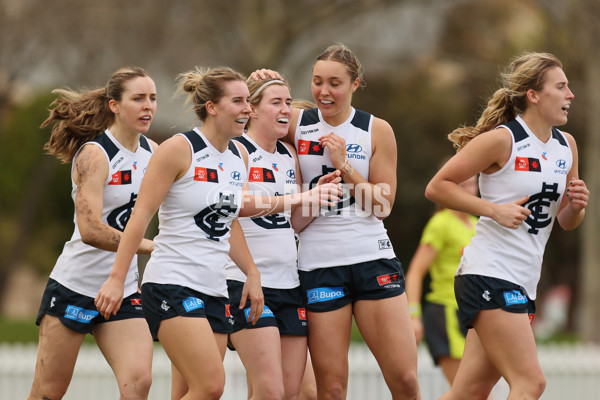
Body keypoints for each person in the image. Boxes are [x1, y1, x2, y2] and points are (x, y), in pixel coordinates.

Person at [94, 66, 341, 400]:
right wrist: (116, 278)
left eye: (247, 101)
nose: (247, 109)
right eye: (238, 101)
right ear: (212, 107)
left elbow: (230, 218)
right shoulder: (179, 148)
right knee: (211, 386)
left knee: (193, 390)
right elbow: (139, 219)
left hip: (214, 288)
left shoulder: (238, 154)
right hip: (172, 282)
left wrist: (251, 272)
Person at [253, 43, 421, 400]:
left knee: (405, 380)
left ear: (355, 84)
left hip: (372, 258)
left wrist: (344, 165)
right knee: (331, 389)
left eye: (334, 83)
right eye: (316, 82)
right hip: (319, 265)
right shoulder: (297, 123)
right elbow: (250, 118)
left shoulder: (376, 129)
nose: (324, 92)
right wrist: (255, 84)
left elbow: (383, 205)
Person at [425, 52, 589, 400]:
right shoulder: (504, 139)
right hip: (489, 272)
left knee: (470, 391)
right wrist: (492, 210)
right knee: (531, 383)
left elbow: (566, 222)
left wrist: (576, 206)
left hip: (523, 279)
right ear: (534, 95)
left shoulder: (567, 146)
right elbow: (437, 187)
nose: (570, 95)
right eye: (561, 87)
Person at [29, 66, 158, 400]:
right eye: (138, 98)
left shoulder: (155, 154)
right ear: (114, 105)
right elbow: (90, 230)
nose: (148, 106)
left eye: (153, 99)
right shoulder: (95, 154)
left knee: (139, 382)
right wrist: (147, 246)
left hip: (124, 290)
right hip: (75, 286)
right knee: (47, 393)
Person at [405, 175, 478, 384]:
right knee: (466, 391)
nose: (469, 190)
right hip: (445, 312)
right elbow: (416, 272)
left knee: (479, 393)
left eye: (473, 184)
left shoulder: (478, 224)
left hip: (473, 314)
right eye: (463, 185)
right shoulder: (441, 223)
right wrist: (414, 315)